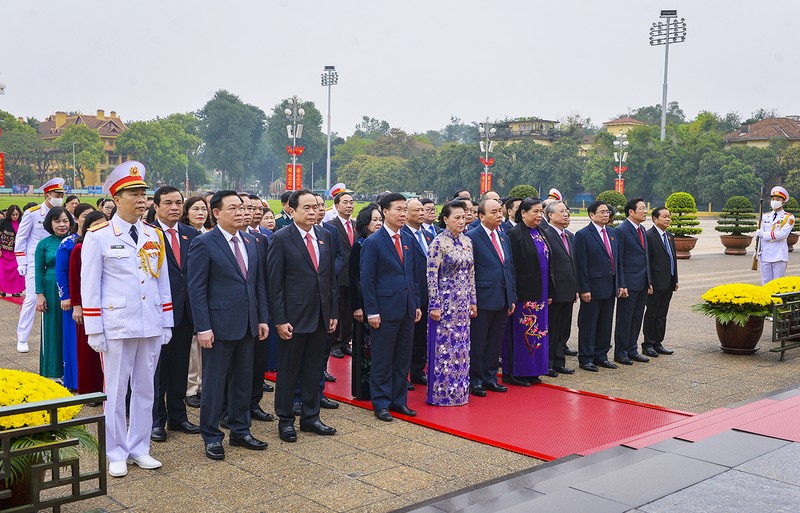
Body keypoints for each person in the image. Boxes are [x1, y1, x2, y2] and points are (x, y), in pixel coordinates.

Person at [81, 160, 174, 477]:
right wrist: (95, 329)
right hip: (117, 325)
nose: (141, 199)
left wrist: (167, 321)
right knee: (117, 390)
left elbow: (162, 281)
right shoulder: (99, 236)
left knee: (146, 389)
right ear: (116, 198)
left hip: (150, 323)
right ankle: (116, 450)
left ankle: (140, 447)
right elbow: (90, 286)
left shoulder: (152, 234)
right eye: (133, 193)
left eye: (143, 193)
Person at [188, 191, 270, 460]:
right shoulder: (205, 243)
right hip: (218, 325)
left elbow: (257, 284)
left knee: (243, 381)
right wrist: (203, 327)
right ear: (216, 212)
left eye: (242, 208)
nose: (240, 213)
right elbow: (197, 289)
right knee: (214, 383)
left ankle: (240, 429)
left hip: (247, 324)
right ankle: (211, 435)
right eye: (232, 208)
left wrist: (261, 318)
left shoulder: (250, 241)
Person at [267, 189, 338, 442]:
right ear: (291, 210)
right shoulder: (281, 238)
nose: (312, 212)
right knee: (288, 371)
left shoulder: (326, 236)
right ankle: (286, 420)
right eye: (306, 208)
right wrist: (280, 319)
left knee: (314, 368)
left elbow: (329, 278)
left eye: (315, 207)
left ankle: (311, 417)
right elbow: (274, 284)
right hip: (293, 318)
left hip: (320, 315)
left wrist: (333, 312)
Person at [360, 192, 421, 421]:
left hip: (406, 307)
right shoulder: (373, 242)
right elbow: (367, 279)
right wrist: (372, 311)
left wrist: (414, 303)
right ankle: (381, 403)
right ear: (385, 212)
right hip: (384, 310)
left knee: (403, 357)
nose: (403, 213)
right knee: (383, 358)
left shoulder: (407, 239)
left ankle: (399, 400)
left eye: (405, 209)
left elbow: (412, 275)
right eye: (398, 209)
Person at [150, 187, 202, 443]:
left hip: (185, 312)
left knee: (180, 367)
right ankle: (156, 420)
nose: (174, 207)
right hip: (158, 313)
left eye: (178, 203)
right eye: (168, 203)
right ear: (156, 207)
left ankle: (179, 417)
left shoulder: (191, 234)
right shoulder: (147, 233)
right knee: (159, 370)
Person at [426, 200, 476, 406]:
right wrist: (434, 305)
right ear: (445, 219)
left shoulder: (467, 241)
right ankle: (441, 394)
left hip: (463, 305)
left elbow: (472, 273)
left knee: (462, 348)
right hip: (445, 304)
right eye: (456, 217)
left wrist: (473, 300)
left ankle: (460, 393)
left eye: (463, 217)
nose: (461, 221)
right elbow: (431, 275)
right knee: (444, 349)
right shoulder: (438, 242)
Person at [465, 199, 515, 397]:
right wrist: (472, 300)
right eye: (493, 212)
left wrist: (511, 296)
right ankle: (475, 379)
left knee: (495, 340)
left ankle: (490, 377)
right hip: (482, 297)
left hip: (502, 297)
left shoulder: (503, 237)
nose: (498, 215)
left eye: (499, 211)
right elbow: (469, 271)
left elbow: (509, 268)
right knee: (479, 341)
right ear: (481, 216)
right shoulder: (472, 237)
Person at [15, 177, 66, 353]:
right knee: (31, 299)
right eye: (56, 194)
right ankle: (22, 337)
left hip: (55, 261)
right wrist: (21, 262)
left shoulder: (62, 213)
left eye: (61, 194)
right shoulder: (33, 213)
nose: (60, 197)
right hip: (33, 262)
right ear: (47, 195)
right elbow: (21, 239)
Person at [506, 198, 550, 385]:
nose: (539, 215)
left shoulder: (540, 231)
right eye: (535, 211)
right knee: (522, 331)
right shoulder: (514, 234)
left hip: (540, 291)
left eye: (541, 211)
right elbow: (510, 266)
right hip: (524, 294)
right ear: (523, 213)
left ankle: (534, 370)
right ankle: (518, 372)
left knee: (538, 331)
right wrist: (513, 293)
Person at [574, 201, 621, 372]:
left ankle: (601, 355)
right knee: (588, 324)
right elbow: (581, 264)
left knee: (605, 323)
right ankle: (586, 357)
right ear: (591, 215)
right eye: (601, 212)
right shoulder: (583, 235)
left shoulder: (612, 233)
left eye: (607, 212)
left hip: (609, 286)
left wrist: (619, 284)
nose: (605, 215)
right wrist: (583, 288)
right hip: (592, 288)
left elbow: (617, 261)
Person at [55, 203, 95, 390]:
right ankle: (76, 380)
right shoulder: (68, 243)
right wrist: (66, 296)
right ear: (77, 219)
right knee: (74, 340)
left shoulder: (97, 240)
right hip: (74, 299)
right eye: (84, 215)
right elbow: (61, 271)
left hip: (93, 298)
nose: (88, 219)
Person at [69, 210, 106, 396]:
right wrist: (77, 306)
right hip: (87, 306)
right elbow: (75, 279)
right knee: (87, 350)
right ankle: (90, 390)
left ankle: (104, 387)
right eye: (96, 225)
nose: (101, 228)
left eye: (104, 224)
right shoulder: (79, 249)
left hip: (107, 305)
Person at [180, 195, 212, 408]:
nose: (200, 213)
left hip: (211, 296)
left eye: (203, 209)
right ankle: (191, 388)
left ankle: (203, 385)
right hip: (190, 296)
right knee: (192, 346)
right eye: (195, 209)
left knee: (207, 346)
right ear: (187, 212)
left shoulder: (212, 235)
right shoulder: (184, 235)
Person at [35, 207, 74, 381]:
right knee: (52, 329)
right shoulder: (44, 244)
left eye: (65, 220)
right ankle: (52, 371)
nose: (62, 224)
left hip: (72, 287)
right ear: (50, 223)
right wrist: (40, 294)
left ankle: (71, 372)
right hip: (51, 289)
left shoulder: (76, 240)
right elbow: (38, 270)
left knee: (71, 329)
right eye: (57, 221)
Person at [349, 203, 383, 400]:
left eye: (380, 219)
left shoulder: (381, 242)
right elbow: (354, 278)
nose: (378, 223)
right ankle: (363, 389)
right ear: (365, 223)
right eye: (374, 220)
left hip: (379, 301)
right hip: (363, 302)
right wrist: (357, 306)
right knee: (364, 346)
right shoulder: (360, 245)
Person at [613, 198, 652, 366]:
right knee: (625, 319)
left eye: (645, 208)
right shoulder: (621, 230)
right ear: (631, 212)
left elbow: (646, 257)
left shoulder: (642, 229)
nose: (645, 211)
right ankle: (620, 352)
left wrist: (649, 281)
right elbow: (618, 259)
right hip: (628, 283)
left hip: (642, 282)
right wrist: (621, 283)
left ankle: (632, 349)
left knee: (637, 318)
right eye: (642, 208)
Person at [402, 198, 435, 387]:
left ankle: (417, 370)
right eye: (417, 210)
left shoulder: (429, 236)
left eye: (423, 210)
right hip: (411, 292)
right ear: (406, 213)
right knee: (409, 337)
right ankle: (404, 374)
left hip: (428, 292)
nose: (422, 213)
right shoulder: (404, 235)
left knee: (422, 335)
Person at [542, 201, 578, 374]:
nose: (566, 214)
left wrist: (575, 288)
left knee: (563, 328)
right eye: (562, 211)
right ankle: (547, 363)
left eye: (567, 211)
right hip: (554, 292)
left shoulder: (569, 236)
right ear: (550, 215)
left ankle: (559, 361)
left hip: (568, 291)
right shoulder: (545, 234)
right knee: (552, 328)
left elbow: (573, 264)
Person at [325, 191, 357, 359]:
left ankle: (345, 342)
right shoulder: (331, 226)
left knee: (349, 313)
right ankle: (334, 345)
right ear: (336, 206)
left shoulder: (357, 224)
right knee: (337, 311)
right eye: (345, 202)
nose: (349, 205)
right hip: (337, 275)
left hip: (352, 277)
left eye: (351, 202)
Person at [642, 207, 677, 358]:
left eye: (669, 216)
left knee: (662, 313)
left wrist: (675, 279)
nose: (668, 219)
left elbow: (672, 259)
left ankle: (658, 342)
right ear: (655, 219)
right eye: (664, 216)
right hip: (655, 283)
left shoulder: (669, 236)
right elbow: (647, 261)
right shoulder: (649, 236)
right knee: (652, 313)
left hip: (668, 282)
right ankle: (648, 344)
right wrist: (648, 282)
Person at [757, 186, 795, 284]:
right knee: (765, 282)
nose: (774, 201)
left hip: (779, 254)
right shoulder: (765, 216)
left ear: (783, 202)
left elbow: (782, 235)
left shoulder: (788, 217)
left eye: (777, 199)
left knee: (778, 283)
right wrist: (757, 250)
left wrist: (764, 235)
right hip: (765, 254)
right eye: (773, 199)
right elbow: (760, 237)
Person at [0, 205, 25, 297]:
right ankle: (2, 289)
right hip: (5, 251)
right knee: (4, 271)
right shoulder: (3, 222)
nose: (15, 217)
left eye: (17, 214)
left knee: (17, 270)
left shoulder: (22, 222)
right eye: (13, 215)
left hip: (18, 251)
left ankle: (16, 290)